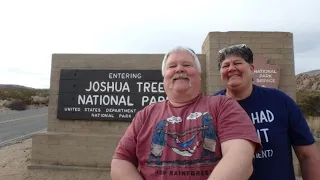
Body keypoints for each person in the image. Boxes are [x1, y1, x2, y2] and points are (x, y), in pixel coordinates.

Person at [111, 46, 262, 180]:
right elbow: (120, 162)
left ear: (198, 74)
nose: (179, 69)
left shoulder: (224, 105)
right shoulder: (145, 114)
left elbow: (240, 157)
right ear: (164, 77)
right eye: (172, 66)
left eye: (187, 65)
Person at [213, 44, 320, 180]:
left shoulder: (280, 101)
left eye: (237, 63)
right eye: (225, 65)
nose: (231, 68)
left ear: (251, 69)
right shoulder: (212, 107)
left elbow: (308, 155)